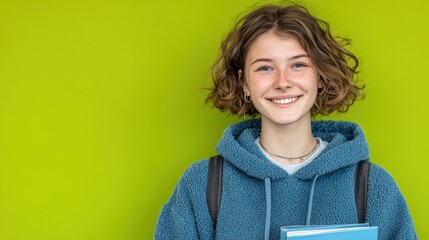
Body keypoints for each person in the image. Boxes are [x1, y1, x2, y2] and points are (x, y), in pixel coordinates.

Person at [155, 4, 417, 240]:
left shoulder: (373, 186)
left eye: (298, 65)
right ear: (244, 82)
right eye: (265, 68)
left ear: (321, 76)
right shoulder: (202, 184)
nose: (282, 82)